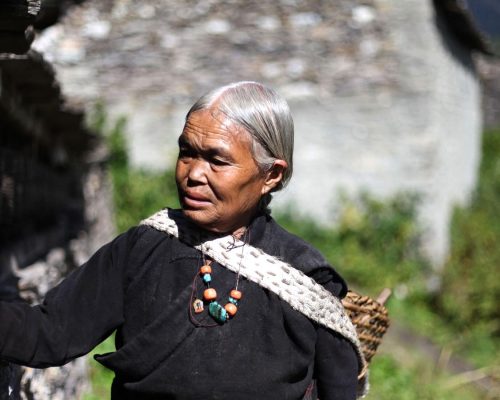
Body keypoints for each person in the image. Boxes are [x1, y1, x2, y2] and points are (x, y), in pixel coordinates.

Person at [0, 81, 364, 399]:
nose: (193, 174)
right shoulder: (142, 248)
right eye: (187, 152)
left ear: (271, 174)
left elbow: (337, 390)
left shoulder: (306, 281)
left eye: (217, 161)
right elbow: (50, 332)